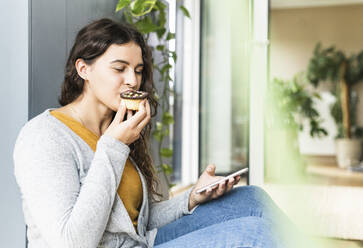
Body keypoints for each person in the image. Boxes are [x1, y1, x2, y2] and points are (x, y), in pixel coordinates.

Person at [14, 18, 303, 248]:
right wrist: (113, 146)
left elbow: (140, 220)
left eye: (138, 70)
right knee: (254, 234)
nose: (133, 80)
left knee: (251, 198)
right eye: (120, 68)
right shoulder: (45, 137)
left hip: (142, 243)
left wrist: (192, 198)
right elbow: (71, 242)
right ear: (83, 69)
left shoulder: (117, 126)